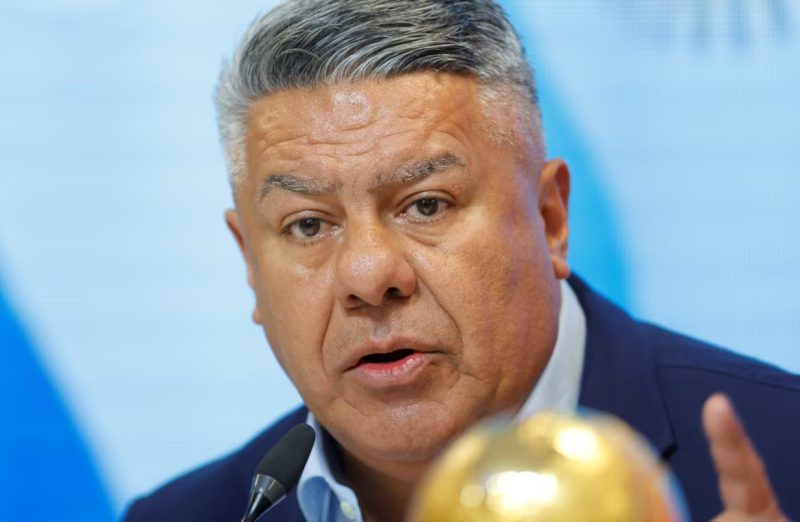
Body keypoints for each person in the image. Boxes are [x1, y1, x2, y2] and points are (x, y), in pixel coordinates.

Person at [124, 1, 800, 521]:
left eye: (426, 205)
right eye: (308, 225)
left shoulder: (785, 454)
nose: (369, 277)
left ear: (550, 218)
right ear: (249, 261)